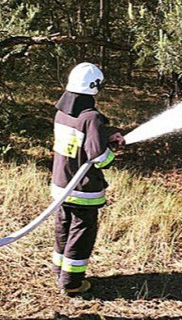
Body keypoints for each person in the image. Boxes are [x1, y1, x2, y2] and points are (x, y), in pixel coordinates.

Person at [50, 62, 125, 295]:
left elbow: (80, 140)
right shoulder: (91, 117)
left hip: (61, 185)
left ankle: (59, 271)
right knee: (82, 233)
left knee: (63, 227)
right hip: (83, 189)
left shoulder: (62, 112)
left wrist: (105, 134)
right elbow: (98, 157)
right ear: (95, 87)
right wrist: (111, 153)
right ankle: (71, 283)